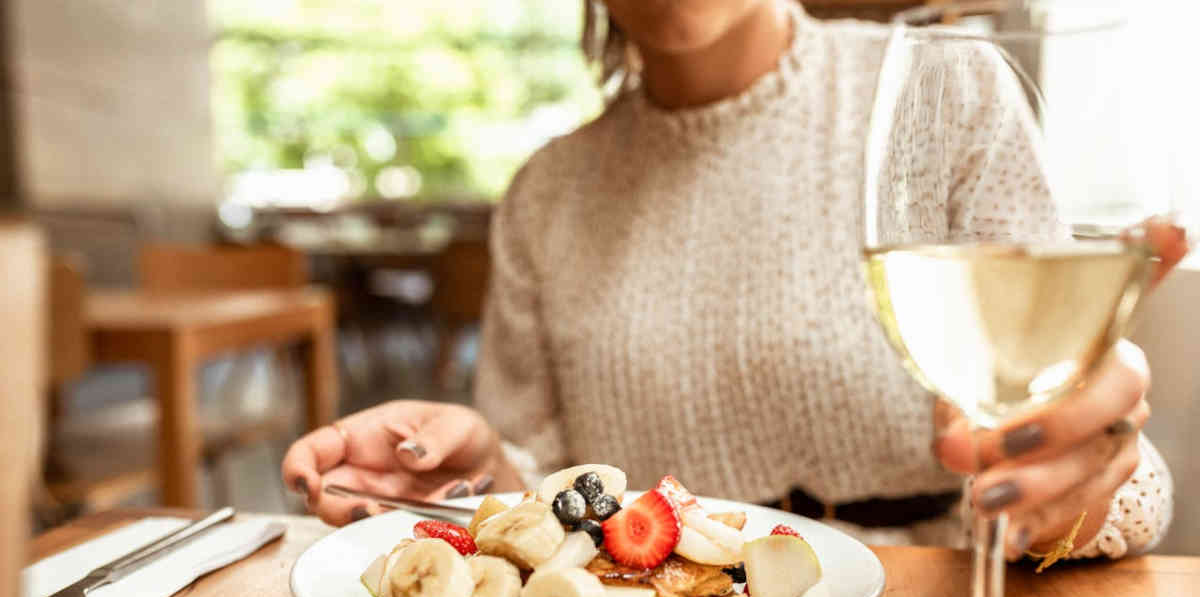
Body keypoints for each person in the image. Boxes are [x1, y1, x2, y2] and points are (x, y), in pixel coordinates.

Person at [283, 0, 1188, 562]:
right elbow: (552, 505)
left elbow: (1066, 444)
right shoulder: (546, 195)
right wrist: (482, 477)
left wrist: (1090, 474)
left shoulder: (942, 93)